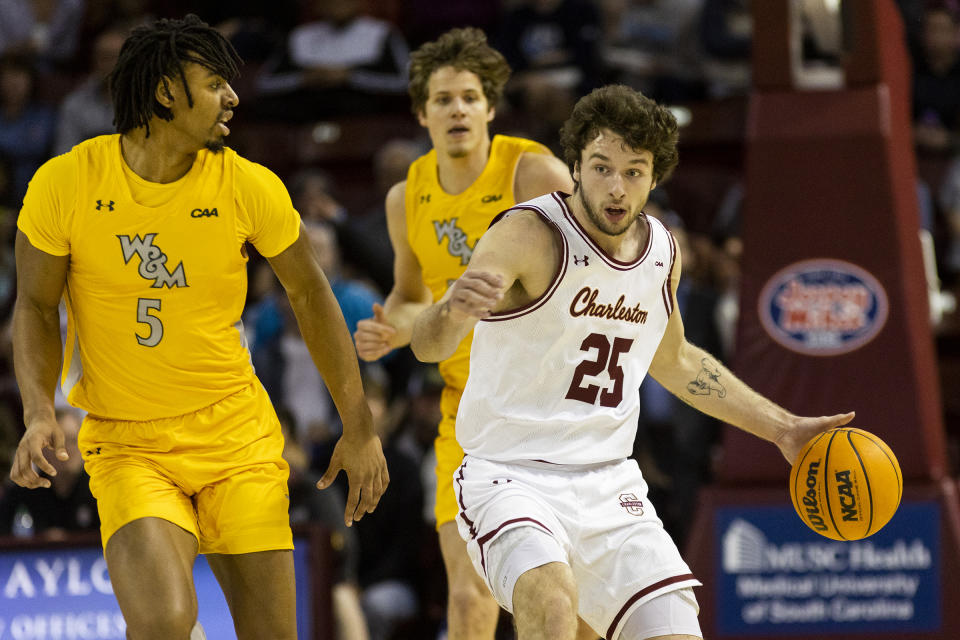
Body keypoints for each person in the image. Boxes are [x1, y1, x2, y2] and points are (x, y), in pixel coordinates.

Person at [408, 84, 855, 640]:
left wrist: (784, 429)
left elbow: (679, 363)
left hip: (609, 484)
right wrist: (450, 312)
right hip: (510, 475)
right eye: (601, 167)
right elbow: (428, 347)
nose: (616, 187)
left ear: (654, 177)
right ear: (574, 166)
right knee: (551, 603)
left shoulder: (662, 252)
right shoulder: (527, 233)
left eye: (634, 171)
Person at [9, 15, 388, 640]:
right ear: (165, 92)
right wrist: (38, 412)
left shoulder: (246, 184)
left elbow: (311, 294)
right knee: (163, 622)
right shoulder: (66, 183)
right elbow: (34, 307)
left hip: (235, 439)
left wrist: (359, 423)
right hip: (128, 445)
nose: (233, 98)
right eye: (215, 83)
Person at [351, 27, 592, 640]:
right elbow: (412, 299)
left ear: (489, 107)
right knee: (469, 598)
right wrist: (393, 331)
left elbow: (601, 275)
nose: (456, 108)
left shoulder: (533, 172)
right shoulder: (407, 196)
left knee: (578, 610)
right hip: (468, 419)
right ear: (421, 112)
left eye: (468, 97)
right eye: (442, 99)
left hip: (553, 414)